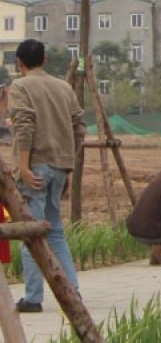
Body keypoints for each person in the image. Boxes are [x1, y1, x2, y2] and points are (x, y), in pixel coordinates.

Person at [7, 38, 84, 313]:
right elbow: (79, 126)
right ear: (45, 59)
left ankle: (33, 296)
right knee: (55, 232)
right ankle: (72, 290)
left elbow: (24, 125)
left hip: (35, 167)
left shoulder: (20, 87)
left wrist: (24, 167)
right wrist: (69, 166)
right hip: (60, 165)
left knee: (31, 233)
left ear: (19, 63)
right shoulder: (64, 87)